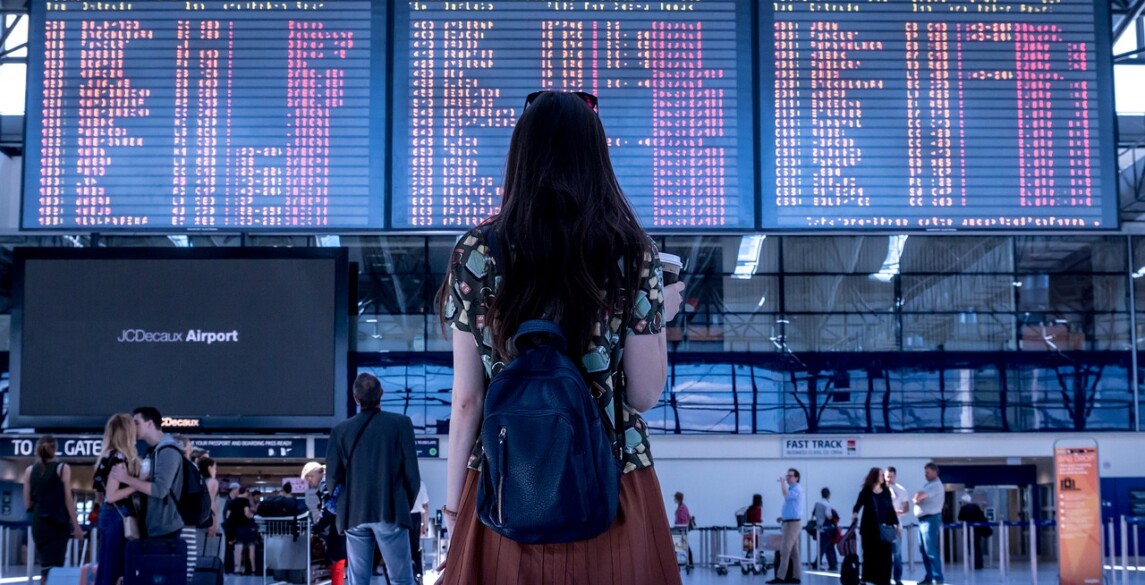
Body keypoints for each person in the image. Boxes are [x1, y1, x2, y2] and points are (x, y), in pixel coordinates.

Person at [434, 90, 687, 585]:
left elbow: (467, 400)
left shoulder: (476, 251)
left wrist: (451, 507)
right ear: (597, 157)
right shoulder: (633, 252)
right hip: (613, 483)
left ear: (520, 156)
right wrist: (659, 317)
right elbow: (643, 393)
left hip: (506, 483)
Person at [325, 372, 420, 585]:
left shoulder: (341, 431)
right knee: (401, 579)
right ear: (382, 394)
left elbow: (331, 476)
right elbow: (412, 474)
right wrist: (404, 503)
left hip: (353, 513)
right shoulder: (401, 424)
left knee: (358, 579)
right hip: (391, 510)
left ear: (355, 398)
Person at [111, 407, 191, 574]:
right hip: (154, 526)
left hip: (165, 528)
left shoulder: (168, 451)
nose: (133, 427)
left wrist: (126, 479)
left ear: (149, 424)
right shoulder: (153, 452)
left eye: (137, 423)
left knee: (160, 576)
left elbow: (160, 490)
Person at [24, 435, 85, 580]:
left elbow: (27, 503)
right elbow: (68, 499)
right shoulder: (62, 468)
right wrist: (76, 527)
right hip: (57, 523)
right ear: (55, 449)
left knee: (45, 566)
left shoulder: (29, 471)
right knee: (54, 567)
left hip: (39, 523)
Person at [93, 414, 141, 585]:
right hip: (118, 517)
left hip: (106, 516)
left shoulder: (104, 457)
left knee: (105, 566)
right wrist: (138, 484)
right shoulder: (119, 459)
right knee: (115, 569)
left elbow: (99, 494)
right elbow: (111, 496)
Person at [302, 462, 346, 585]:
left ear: (312, 475)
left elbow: (329, 508)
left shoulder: (325, 482)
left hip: (337, 525)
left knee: (336, 557)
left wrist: (315, 528)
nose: (311, 485)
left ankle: (337, 583)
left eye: (309, 481)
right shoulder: (334, 476)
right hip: (346, 521)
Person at [853, 467, 899, 585]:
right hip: (869, 529)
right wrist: (855, 514)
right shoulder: (866, 491)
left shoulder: (886, 491)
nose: (883, 477)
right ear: (874, 477)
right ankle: (866, 578)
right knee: (869, 555)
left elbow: (890, 509)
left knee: (885, 555)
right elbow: (857, 505)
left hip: (884, 528)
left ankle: (884, 580)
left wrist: (896, 524)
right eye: (880, 475)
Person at [767, 468, 804, 584]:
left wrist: (782, 483)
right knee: (794, 552)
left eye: (790, 476)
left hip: (793, 525)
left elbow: (786, 496)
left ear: (796, 478)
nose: (788, 478)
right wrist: (783, 517)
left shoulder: (797, 488)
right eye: (787, 476)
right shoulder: (793, 489)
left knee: (784, 549)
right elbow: (793, 508)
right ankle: (796, 576)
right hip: (789, 522)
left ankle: (780, 577)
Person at [912, 462, 945, 585]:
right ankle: (929, 577)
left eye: (928, 472)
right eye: (925, 472)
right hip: (922, 521)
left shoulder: (935, 486)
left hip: (930, 520)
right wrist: (917, 498)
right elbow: (916, 496)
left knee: (930, 550)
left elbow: (918, 496)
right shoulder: (927, 484)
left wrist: (918, 499)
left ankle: (938, 578)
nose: (925, 475)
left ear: (935, 472)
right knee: (924, 551)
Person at [223, 485, 258, 575]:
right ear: (246, 492)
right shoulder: (245, 501)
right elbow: (246, 513)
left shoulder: (233, 501)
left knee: (238, 549)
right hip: (246, 527)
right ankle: (253, 569)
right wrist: (252, 515)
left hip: (237, 528)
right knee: (251, 547)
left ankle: (237, 569)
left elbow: (227, 515)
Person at [885, 467, 910, 585]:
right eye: (887, 476)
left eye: (891, 476)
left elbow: (906, 508)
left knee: (897, 554)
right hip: (882, 527)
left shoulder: (901, 490)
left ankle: (898, 578)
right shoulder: (879, 490)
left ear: (895, 476)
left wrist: (897, 512)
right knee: (884, 554)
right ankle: (885, 578)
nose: (889, 479)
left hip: (896, 526)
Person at [957, 493, 991, 570]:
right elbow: (981, 516)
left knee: (970, 547)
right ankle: (979, 564)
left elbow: (959, 518)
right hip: (977, 530)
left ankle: (972, 563)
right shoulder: (976, 507)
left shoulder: (963, 508)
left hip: (968, 531)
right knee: (977, 547)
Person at [197, 456, 221, 558]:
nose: (216, 470)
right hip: (208, 518)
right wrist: (213, 521)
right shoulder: (212, 482)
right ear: (209, 468)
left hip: (198, 517)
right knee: (209, 550)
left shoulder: (199, 480)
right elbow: (211, 502)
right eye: (215, 468)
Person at [811, 487, 838, 571]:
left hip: (819, 526)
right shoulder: (827, 504)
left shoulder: (817, 503)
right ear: (828, 495)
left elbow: (813, 513)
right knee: (823, 547)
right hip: (826, 528)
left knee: (828, 546)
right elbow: (828, 516)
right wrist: (833, 516)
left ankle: (832, 564)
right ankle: (816, 564)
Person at [409, 481, 430, 581]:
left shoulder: (397, 479)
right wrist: (424, 526)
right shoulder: (420, 483)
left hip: (401, 516)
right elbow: (425, 506)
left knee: (402, 547)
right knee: (415, 547)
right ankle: (418, 574)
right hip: (415, 518)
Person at [673, 492, 694, 568]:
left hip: (682, 529)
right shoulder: (680, 507)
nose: (674, 499)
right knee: (681, 545)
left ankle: (690, 562)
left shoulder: (683, 508)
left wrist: (680, 526)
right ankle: (681, 561)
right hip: (680, 529)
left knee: (683, 545)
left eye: (675, 498)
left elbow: (684, 520)